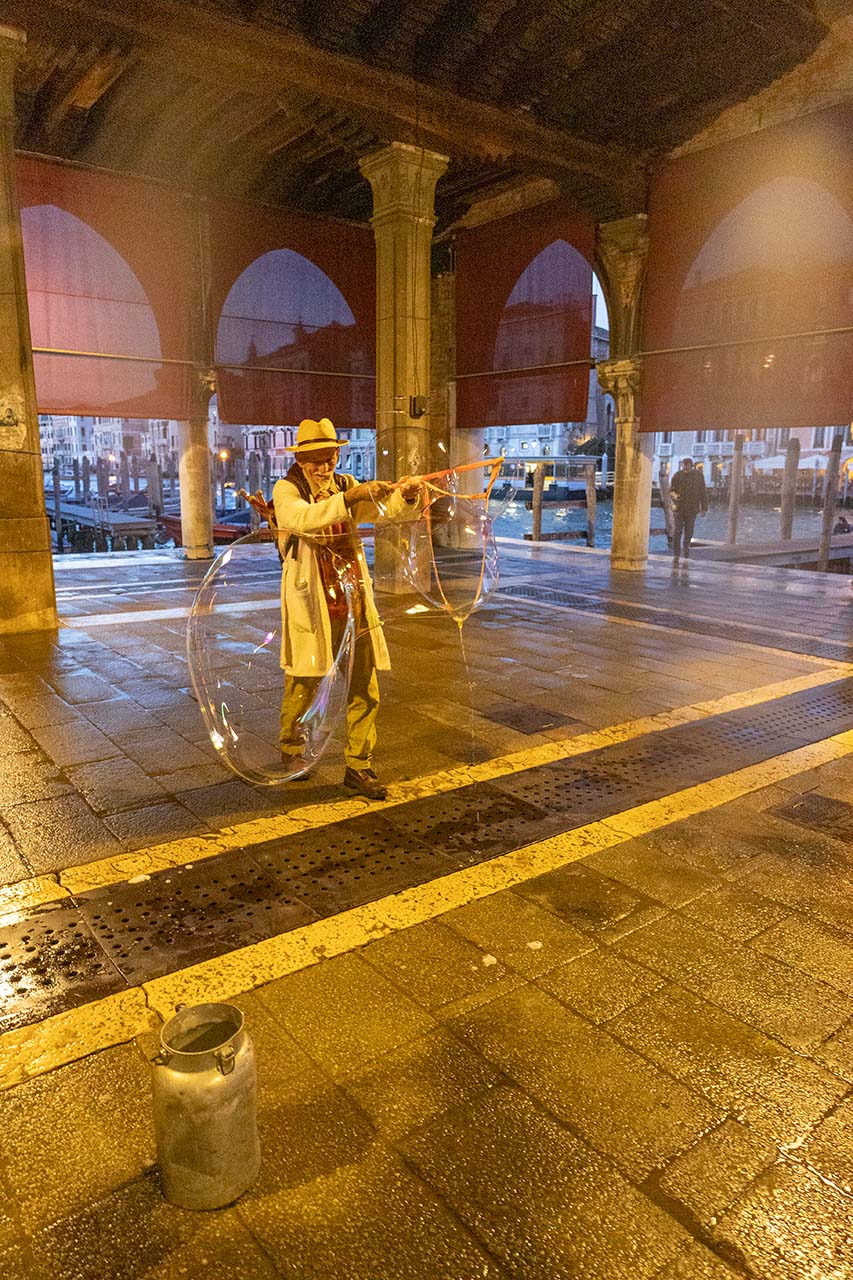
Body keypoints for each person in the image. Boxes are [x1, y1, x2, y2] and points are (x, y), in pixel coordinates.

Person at [272, 417, 420, 800]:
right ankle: (292, 746)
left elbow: (383, 512)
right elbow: (300, 518)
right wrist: (351, 498)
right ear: (301, 461)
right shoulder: (287, 488)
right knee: (304, 682)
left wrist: (405, 496)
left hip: (352, 597)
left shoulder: (345, 484)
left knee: (365, 686)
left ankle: (358, 764)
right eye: (316, 461)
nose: (324, 468)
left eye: (330, 458)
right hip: (313, 600)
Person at [670, 457, 708, 559]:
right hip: (679, 507)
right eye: (683, 466)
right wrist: (675, 496)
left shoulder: (698, 476)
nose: (685, 468)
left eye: (686, 466)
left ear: (691, 465)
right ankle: (676, 551)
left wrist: (704, 508)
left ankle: (686, 547)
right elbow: (671, 490)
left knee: (689, 529)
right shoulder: (677, 475)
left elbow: (703, 492)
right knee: (678, 529)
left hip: (692, 508)